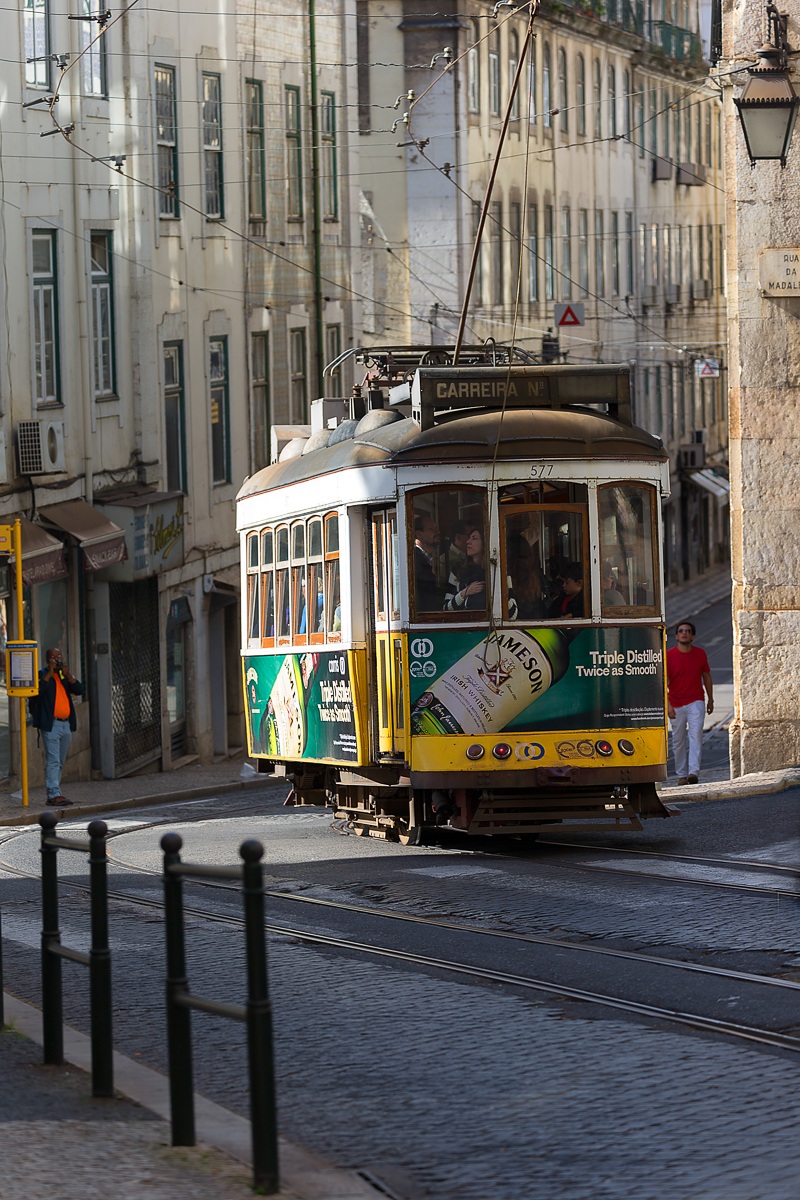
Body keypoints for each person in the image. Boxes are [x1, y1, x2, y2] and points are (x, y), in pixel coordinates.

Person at [667, 620, 713, 785]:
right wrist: (668, 706)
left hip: (696, 701)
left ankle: (693, 772)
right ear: (676, 636)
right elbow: (662, 682)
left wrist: (710, 699)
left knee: (696, 736)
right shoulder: (669, 656)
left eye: (687, 631)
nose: (684, 633)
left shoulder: (700, 654)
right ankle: (681, 775)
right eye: (681, 631)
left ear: (692, 636)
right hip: (675, 702)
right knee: (678, 740)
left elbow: (706, 676)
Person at [37, 647, 84, 807]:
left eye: (59, 656)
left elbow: (79, 690)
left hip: (66, 725)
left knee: (60, 761)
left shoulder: (63, 676)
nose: (57, 659)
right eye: (53, 657)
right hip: (52, 725)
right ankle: (54, 793)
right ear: (47, 659)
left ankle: (54, 792)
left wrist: (68, 674)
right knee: (53, 760)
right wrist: (50, 671)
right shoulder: (42, 674)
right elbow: (39, 691)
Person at [444, 526, 486, 610]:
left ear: (484, 543)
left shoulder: (494, 570)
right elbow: (446, 608)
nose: (468, 542)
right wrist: (465, 592)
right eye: (469, 538)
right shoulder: (458, 570)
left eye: (474, 539)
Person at [413, 513, 443, 612]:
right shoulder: (414, 560)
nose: (437, 532)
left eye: (436, 528)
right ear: (419, 535)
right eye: (431, 529)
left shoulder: (425, 559)